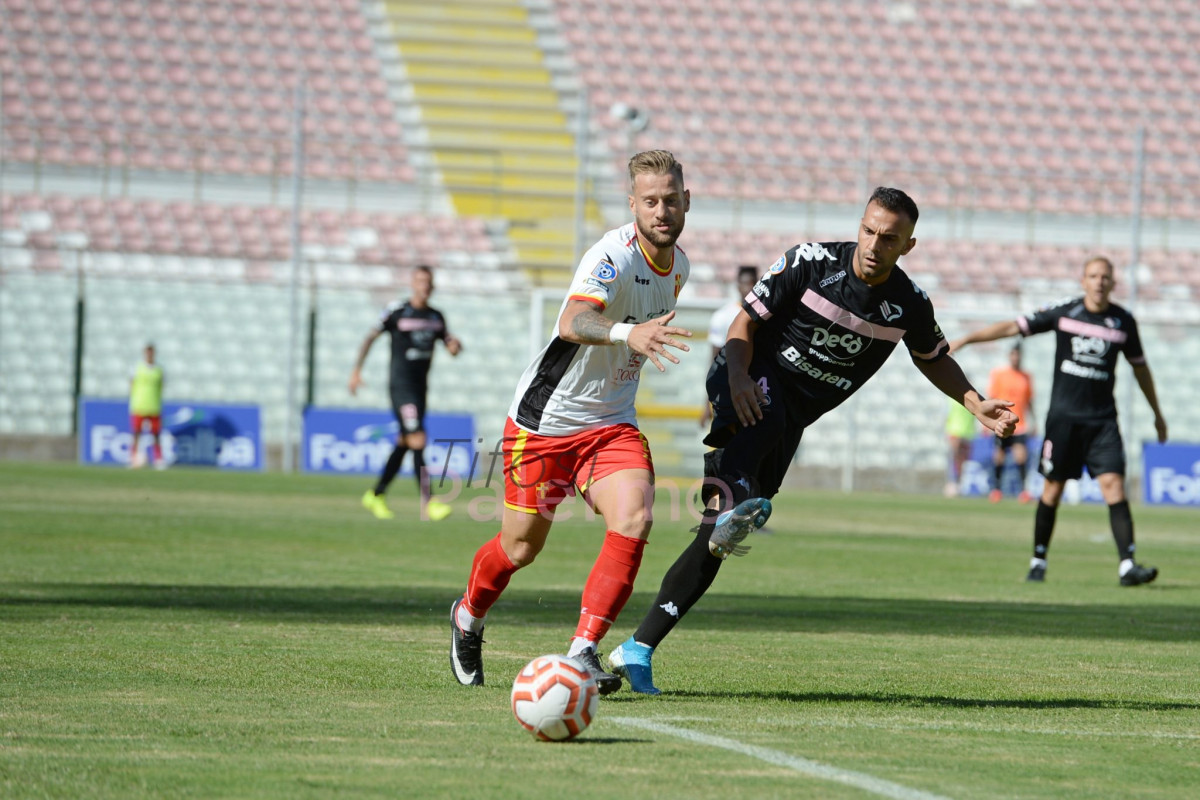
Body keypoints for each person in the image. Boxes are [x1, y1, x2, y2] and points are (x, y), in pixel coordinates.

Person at [607, 187, 1020, 694]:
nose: (874, 245)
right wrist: (737, 378)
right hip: (748, 376)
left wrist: (975, 403)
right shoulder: (810, 262)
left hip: (792, 419)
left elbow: (932, 357)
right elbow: (744, 322)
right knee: (761, 431)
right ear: (859, 225)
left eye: (889, 239)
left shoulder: (909, 303)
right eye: (868, 230)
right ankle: (735, 494)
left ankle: (639, 647)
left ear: (908, 246)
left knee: (716, 539)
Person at [449, 150, 693, 692]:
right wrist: (628, 333)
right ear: (632, 204)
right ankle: (468, 614)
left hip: (611, 423)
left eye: (671, 200)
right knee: (520, 548)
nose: (662, 211)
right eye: (650, 201)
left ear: (686, 201)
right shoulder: (612, 256)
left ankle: (583, 650)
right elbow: (571, 321)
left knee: (634, 516)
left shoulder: (680, 267)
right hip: (546, 420)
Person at [950, 256, 1167, 586]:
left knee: (1114, 486)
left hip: (1103, 422)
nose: (1099, 282)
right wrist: (968, 339)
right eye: (1093, 276)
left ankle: (1127, 566)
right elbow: (1013, 326)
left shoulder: (1123, 322)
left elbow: (1141, 368)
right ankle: (1038, 561)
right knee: (1052, 490)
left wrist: (1157, 414)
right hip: (1064, 420)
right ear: (1083, 281)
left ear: (1113, 283)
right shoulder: (1066, 312)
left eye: (1105, 277)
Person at [349, 265, 462, 521]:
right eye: (420, 281)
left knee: (405, 441)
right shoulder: (397, 311)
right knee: (418, 438)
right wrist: (356, 371)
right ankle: (429, 501)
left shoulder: (436, 316)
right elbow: (370, 337)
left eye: (428, 282)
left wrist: (455, 346)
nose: (424, 286)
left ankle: (376, 494)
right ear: (412, 283)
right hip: (401, 387)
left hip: (420, 390)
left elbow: (450, 343)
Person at [701, 266, 759, 426]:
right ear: (737, 285)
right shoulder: (723, 316)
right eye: (744, 283)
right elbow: (713, 361)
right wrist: (706, 404)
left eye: (751, 283)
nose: (747, 288)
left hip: (759, 388)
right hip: (729, 391)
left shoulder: (766, 315)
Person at [986, 344, 1035, 503]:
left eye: (1018, 354)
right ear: (1009, 356)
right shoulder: (999, 374)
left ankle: (1023, 491)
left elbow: (1029, 401)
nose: (1015, 357)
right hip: (1001, 422)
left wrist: (1034, 420)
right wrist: (987, 422)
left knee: (1020, 457)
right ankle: (996, 489)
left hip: (1019, 424)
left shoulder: (1026, 377)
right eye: (1013, 354)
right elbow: (991, 399)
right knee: (999, 456)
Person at [128, 342, 166, 470]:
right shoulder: (137, 368)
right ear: (145, 353)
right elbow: (131, 384)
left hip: (154, 406)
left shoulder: (159, 369)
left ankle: (158, 459)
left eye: (151, 352)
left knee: (156, 434)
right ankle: (133, 458)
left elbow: (162, 386)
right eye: (148, 352)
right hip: (139, 405)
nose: (149, 354)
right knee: (136, 433)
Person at [944, 396, 977, 497]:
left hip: (968, 432)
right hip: (955, 430)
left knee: (962, 461)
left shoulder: (972, 398)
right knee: (954, 457)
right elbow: (948, 415)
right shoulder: (952, 397)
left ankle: (959, 484)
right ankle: (951, 483)